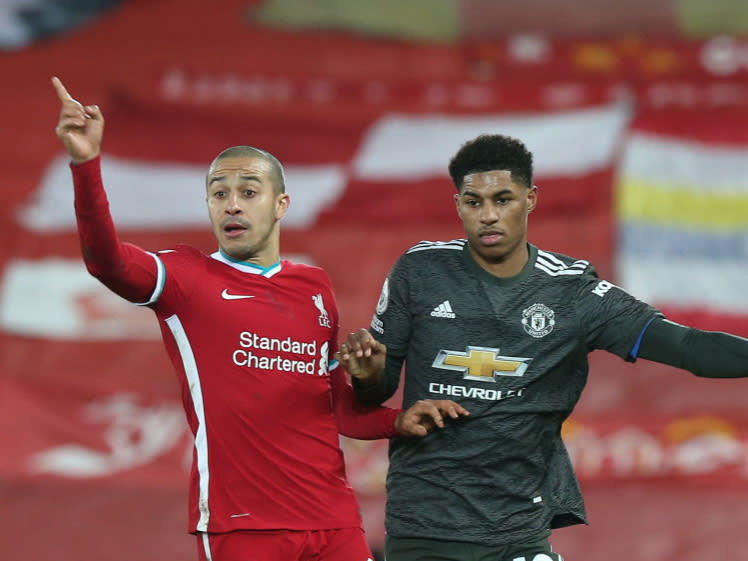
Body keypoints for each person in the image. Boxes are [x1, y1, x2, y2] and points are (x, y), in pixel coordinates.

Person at [51, 76, 469, 561]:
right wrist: (85, 163)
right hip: (243, 526)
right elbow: (108, 263)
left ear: (280, 205)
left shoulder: (313, 287)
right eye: (218, 193)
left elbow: (336, 409)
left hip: (332, 520)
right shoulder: (186, 276)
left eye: (249, 191)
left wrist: (399, 421)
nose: (232, 203)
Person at [337, 133, 748, 561]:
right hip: (423, 522)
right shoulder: (420, 270)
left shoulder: (573, 292)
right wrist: (367, 375)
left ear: (530, 199)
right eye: (474, 202)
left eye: (504, 199)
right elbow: (377, 391)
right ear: (458, 204)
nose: (489, 216)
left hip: (517, 526)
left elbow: (688, 347)